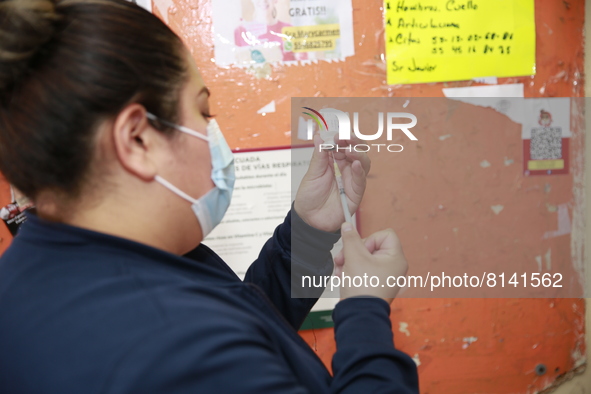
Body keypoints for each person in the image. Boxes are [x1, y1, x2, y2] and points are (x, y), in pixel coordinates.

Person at [0, 0, 419, 392]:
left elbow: (237, 321)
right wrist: (364, 312)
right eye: (203, 112)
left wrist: (309, 232)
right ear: (138, 139)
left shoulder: (77, 264)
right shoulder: (169, 345)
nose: (213, 134)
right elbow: (211, 343)